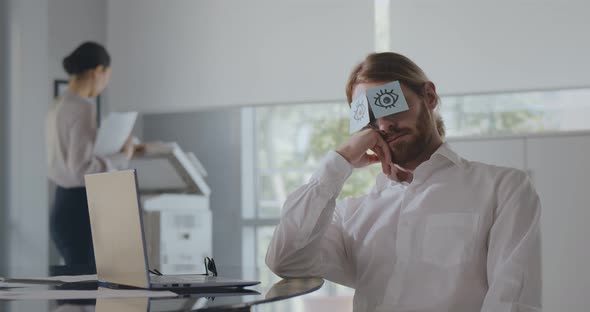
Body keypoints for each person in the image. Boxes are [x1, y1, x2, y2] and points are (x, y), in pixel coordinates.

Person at [266, 52, 541, 312]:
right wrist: (340, 160)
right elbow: (287, 260)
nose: (384, 126)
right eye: (369, 118)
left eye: (390, 104)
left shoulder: (503, 188)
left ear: (429, 96)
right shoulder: (350, 214)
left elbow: (510, 301)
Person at [46, 42, 139, 274]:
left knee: (76, 286)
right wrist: (121, 156)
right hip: (79, 207)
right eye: (107, 75)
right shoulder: (82, 108)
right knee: (87, 287)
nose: (106, 82)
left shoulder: (58, 106)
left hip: (61, 203)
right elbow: (80, 170)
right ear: (98, 71)